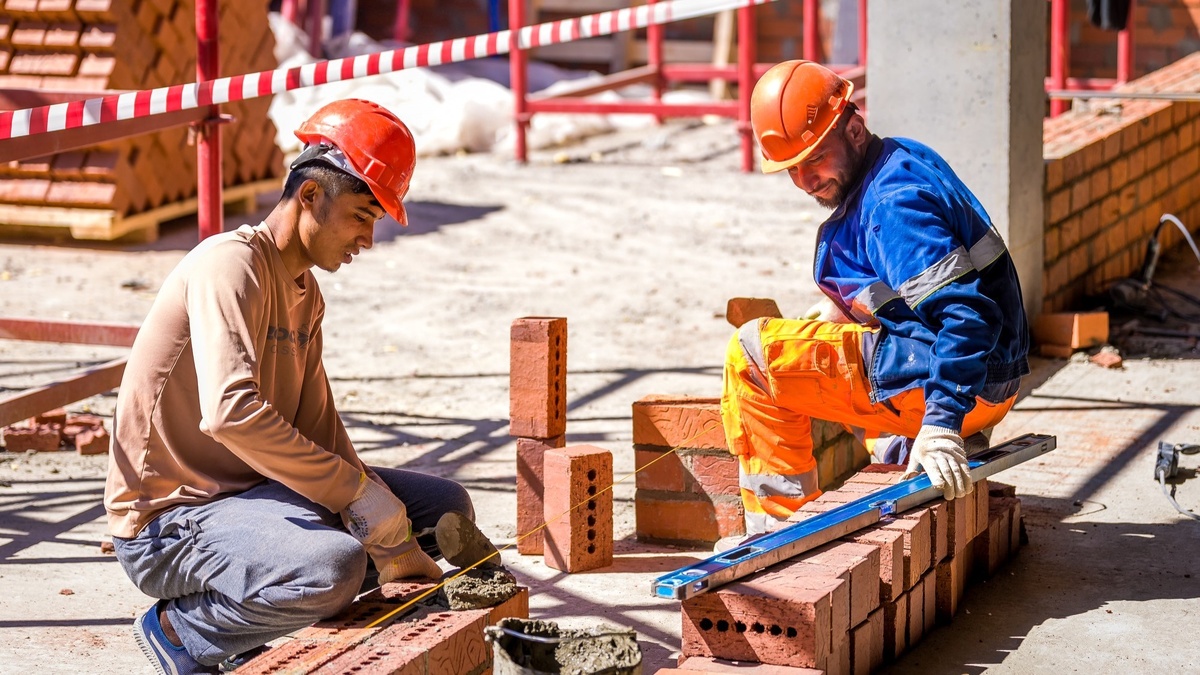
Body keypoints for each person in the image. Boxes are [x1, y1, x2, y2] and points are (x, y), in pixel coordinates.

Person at [104, 99, 475, 674]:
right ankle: (183, 631)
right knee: (332, 567)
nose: (368, 240)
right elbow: (229, 413)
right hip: (170, 520)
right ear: (309, 196)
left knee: (442, 511)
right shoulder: (228, 266)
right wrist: (357, 499)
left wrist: (387, 521)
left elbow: (318, 430)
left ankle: (282, 596)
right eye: (361, 215)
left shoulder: (306, 293)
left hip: (255, 498)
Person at [721, 60, 1030, 535]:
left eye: (815, 159)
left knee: (751, 354)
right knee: (836, 338)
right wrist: (841, 310)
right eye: (792, 169)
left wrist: (943, 421)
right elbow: (909, 292)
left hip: (954, 393)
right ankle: (896, 453)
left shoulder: (893, 206)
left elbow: (967, 315)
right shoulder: (900, 157)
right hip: (985, 381)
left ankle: (776, 528)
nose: (805, 181)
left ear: (855, 130)